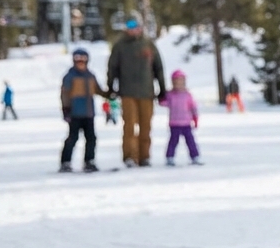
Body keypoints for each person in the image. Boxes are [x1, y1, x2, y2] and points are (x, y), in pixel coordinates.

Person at [106, 18, 167, 167]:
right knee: (129, 126)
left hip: (146, 92)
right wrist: (110, 87)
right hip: (127, 92)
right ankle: (130, 156)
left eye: (135, 26)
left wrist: (162, 89)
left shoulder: (148, 44)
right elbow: (112, 67)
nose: (133, 29)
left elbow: (158, 67)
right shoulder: (120, 46)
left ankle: (144, 156)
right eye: (130, 26)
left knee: (146, 127)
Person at [60, 48, 110, 172]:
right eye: (78, 59)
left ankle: (89, 160)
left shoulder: (90, 76)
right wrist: (66, 109)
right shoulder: (70, 76)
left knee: (91, 138)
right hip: (75, 113)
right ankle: (65, 161)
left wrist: (109, 94)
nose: (81, 62)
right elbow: (65, 94)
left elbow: (97, 90)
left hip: (88, 113)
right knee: (73, 138)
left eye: (83, 59)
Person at [161, 70, 203, 166]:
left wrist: (195, 118)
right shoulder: (170, 95)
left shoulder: (187, 95)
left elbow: (193, 107)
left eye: (181, 82)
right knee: (173, 141)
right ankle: (170, 157)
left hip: (186, 123)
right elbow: (164, 103)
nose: (179, 84)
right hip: (174, 123)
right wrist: (161, 98)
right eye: (176, 82)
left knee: (190, 141)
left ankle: (195, 156)